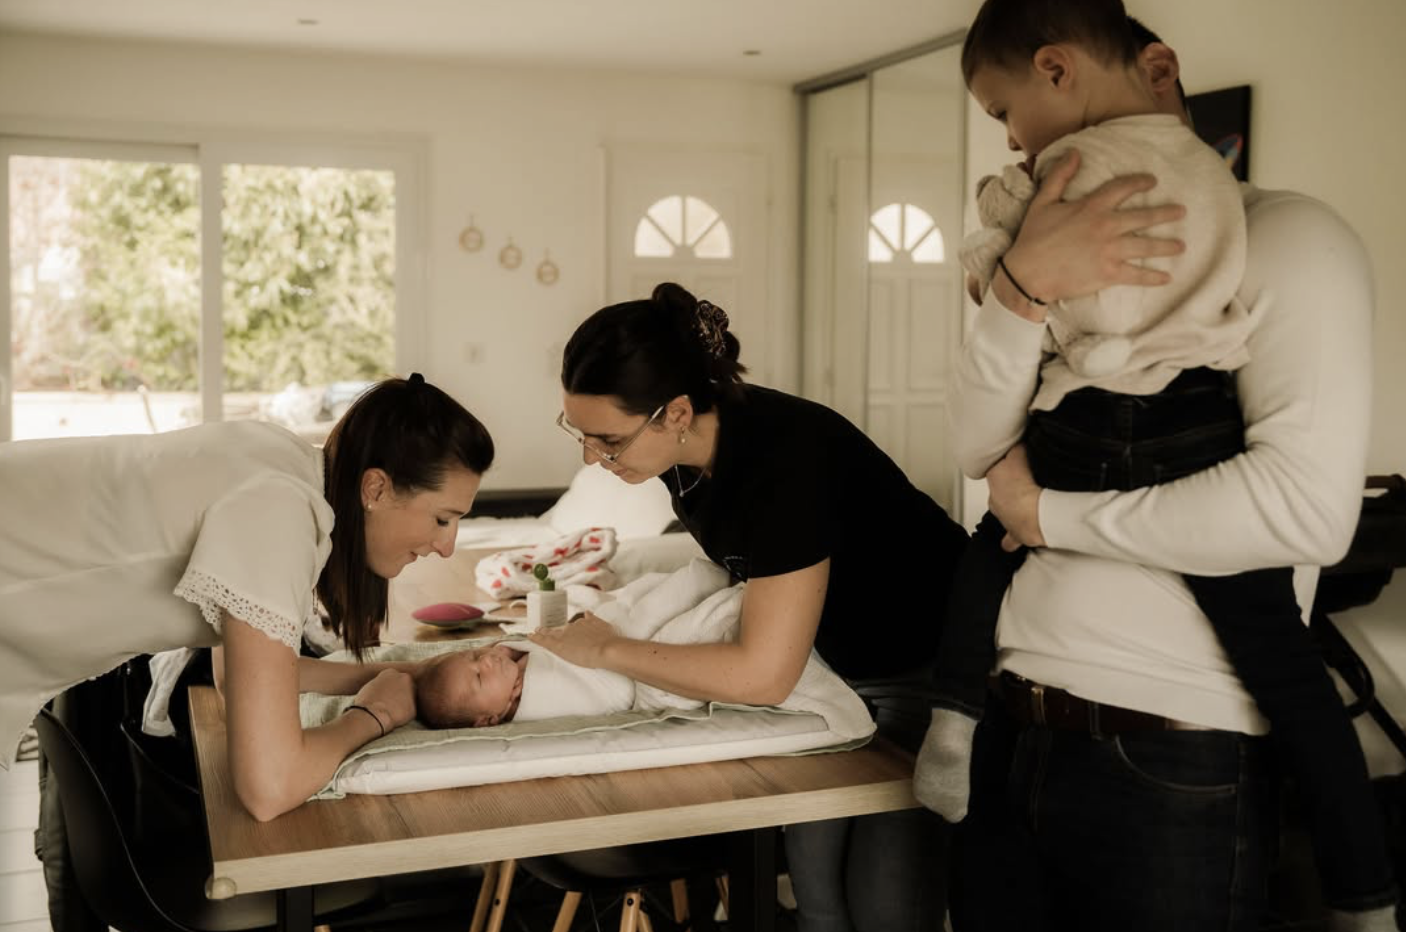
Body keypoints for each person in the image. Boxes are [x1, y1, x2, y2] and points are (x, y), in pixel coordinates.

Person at [918, 5, 1396, 926]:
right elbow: (977, 447)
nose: (1012, 143)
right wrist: (1023, 286)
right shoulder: (1046, 255)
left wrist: (1044, 517)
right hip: (1006, 731)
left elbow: (1302, 515)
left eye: (1001, 114)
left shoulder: (1289, 236)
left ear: (1158, 68)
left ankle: (1368, 893)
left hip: (1170, 760)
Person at [527, 280, 969, 932]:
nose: (593, 459)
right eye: (581, 434)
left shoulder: (784, 461)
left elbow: (764, 674)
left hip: (926, 668)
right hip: (833, 671)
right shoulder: (684, 464)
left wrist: (609, 649)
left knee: (882, 907)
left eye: (609, 440)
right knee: (815, 897)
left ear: (675, 412)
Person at [1, 373, 495, 822]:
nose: (447, 545)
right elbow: (270, 786)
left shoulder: (287, 468)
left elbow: (236, 675)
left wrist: (409, 675)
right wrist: (373, 716)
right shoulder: (280, 514)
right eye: (442, 519)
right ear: (376, 488)